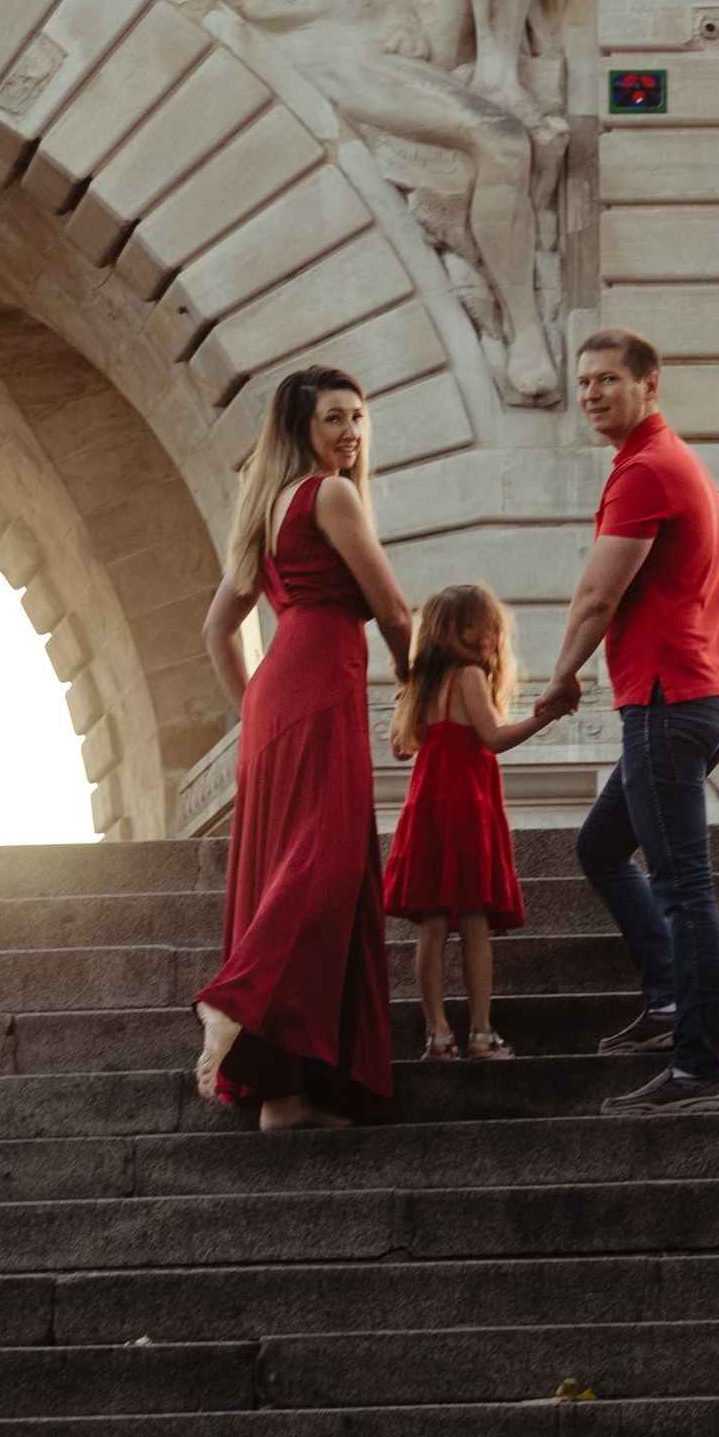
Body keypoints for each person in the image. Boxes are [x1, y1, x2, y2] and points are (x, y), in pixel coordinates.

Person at [194, 362, 411, 1133]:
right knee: (328, 859)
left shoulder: (265, 509)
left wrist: (255, 706)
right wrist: (417, 697)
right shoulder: (331, 494)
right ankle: (238, 997)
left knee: (317, 867)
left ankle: (286, 1097)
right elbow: (390, 608)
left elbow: (219, 629)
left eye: (358, 416)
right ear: (302, 430)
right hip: (321, 685)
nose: (351, 433)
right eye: (333, 420)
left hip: (279, 695)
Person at [543, 328, 719, 1116]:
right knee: (600, 848)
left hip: (664, 703)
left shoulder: (647, 472)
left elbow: (597, 596)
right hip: (693, 696)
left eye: (609, 381)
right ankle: (665, 1004)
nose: (591, 393)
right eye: (584, 381)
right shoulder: (667, 463)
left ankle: (697, 1073)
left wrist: (560, 678)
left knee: (686, 891)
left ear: (650, 387)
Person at [384, 580, 566, 1057]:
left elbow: (401, 749)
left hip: (427, 805)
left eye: (491, 630)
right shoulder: (469, 677)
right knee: (473, 920)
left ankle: (438, 1031)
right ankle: (482, 1031)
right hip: (466, 804)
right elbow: (493, 738)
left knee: (431, 923)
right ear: (458, 632)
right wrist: (545, 716)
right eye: (481, 629)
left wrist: (404, 692)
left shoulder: (421, 684)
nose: (490, 639)